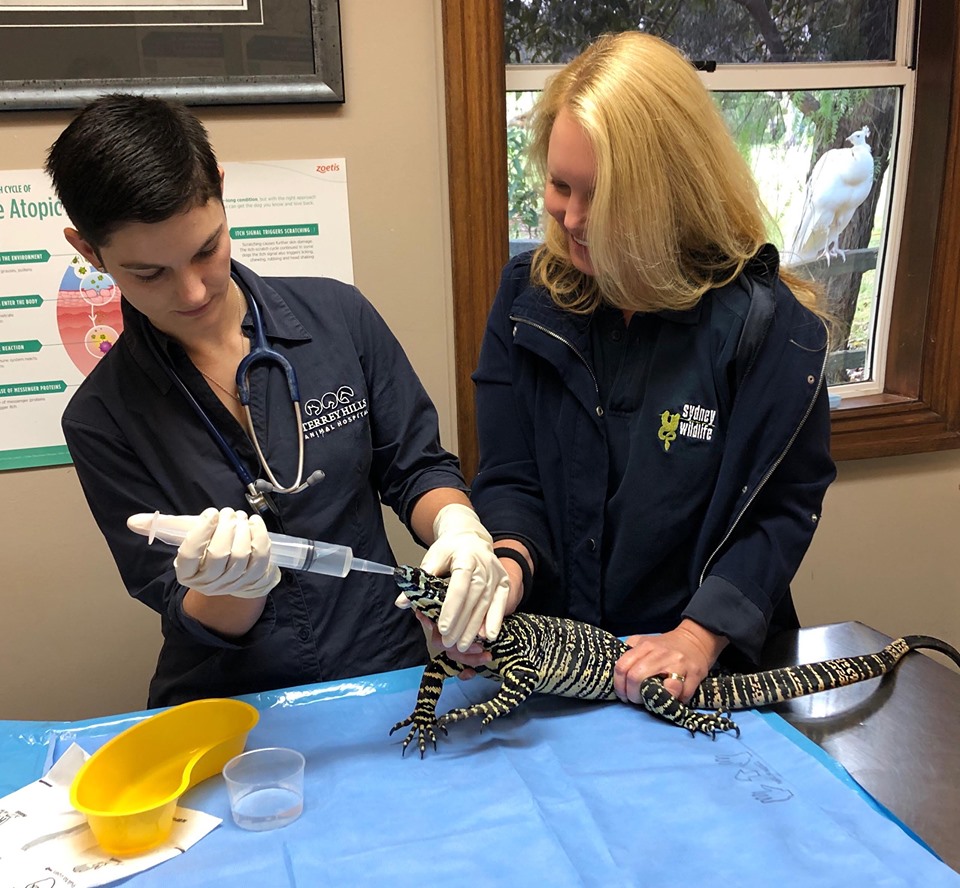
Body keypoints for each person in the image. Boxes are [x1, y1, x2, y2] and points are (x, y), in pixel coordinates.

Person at [47, 93, 508, 708]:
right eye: (149, 274)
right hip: (230, 707)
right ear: (89, 253)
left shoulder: (339, 318)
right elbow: (179, 602)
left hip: (383, 672)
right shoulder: (101, 418)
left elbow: (416, 467)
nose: (191, 290)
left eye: (206, 249)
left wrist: (460, 528)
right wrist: (233, 587)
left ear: (218, 187)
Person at [435, 32, 837, 703]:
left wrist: (700, 635)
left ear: (671, 195)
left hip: (699, 674)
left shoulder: (766, 330)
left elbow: (780, 511)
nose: (572, 217)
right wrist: (504, 567)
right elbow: (511, 474)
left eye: (602, 196)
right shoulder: (525, 300)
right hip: (557, 671)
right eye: (560, 185)